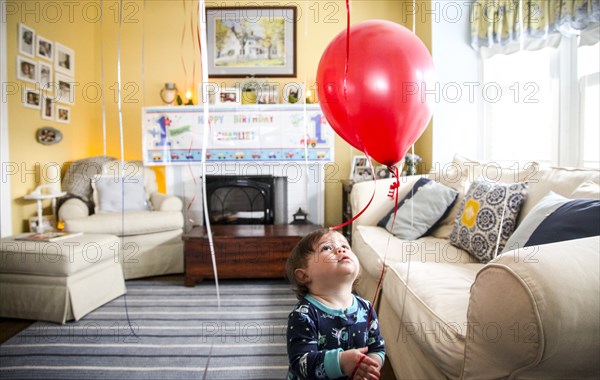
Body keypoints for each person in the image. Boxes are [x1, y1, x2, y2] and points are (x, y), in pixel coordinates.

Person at [286, 228, 385, 380]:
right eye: (326, 248)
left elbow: (377, 348)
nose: (340, 249)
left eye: (345, 246)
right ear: (304, 275)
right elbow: (301, 363)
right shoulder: (303, 314)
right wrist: (341, 362)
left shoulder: (366, 308)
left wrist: (369, 366)